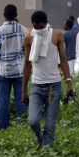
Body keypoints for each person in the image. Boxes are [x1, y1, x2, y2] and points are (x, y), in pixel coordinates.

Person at [22, 10, 73, 146]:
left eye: (40, 26)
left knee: (50, 124)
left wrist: (69, 83)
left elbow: (63, 60)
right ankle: (39, 138)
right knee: (33, 121)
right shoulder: (29, 38)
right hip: (36, 86)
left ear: (46, 23)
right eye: (35, 27)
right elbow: (27, 64)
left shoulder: (57, 35)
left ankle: (47, 152)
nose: (38, 29)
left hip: (53, 87)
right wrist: (24, 90)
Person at [0, 4, 28, 130]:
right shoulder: (23, 30)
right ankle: (23, 128)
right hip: (19, 70)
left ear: (4, 15)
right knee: (21, 100)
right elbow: (27, 49)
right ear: (16, 15)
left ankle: (2, 128)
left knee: (3, 102)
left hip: (4, 72)